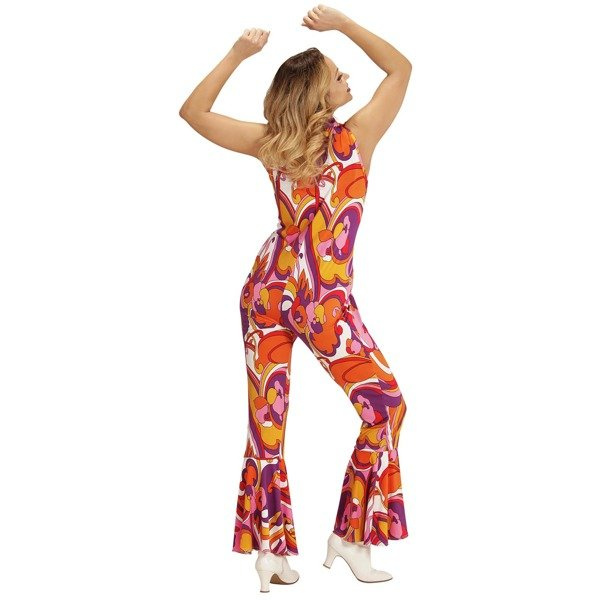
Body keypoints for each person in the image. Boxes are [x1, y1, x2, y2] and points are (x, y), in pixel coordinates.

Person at [179, 5, 412, 591]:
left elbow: (194, 112)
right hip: (314, 300)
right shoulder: (353, 138)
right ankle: (336, 541)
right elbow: (401, 69)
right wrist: (343, 26)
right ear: (317, 93)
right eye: (337, 74)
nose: (348, 78)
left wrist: (240, 55)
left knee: (287, 421)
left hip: (273, 291)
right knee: (374, 409)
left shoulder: (276, 143)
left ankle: (284, 551)